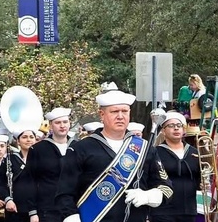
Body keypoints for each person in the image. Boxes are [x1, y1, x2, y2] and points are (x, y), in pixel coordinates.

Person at [56, 88, 174, 222]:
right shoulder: (81, 148)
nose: (120, 116)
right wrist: (72, 218)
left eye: (124, 111)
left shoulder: (145, 148)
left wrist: (149, 196)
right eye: (114, 111)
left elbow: (166, 187)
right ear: (102, 114)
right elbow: (64, 193)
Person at [150, 111, 201, 222]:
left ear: (184, 130)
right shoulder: (155, 153)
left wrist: (203, 183)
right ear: (163, 131)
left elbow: (199, 179)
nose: (176, 129)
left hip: (188, 209)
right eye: (171, 126)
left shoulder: (194, 152)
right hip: (163, 210)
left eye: (179, 126)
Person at [28, 107, 74, 222]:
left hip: (74, 208)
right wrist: (32, 212)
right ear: (50, 125)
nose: (62, 125)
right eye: (58, 123)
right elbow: (30, 181)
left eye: (65, 122)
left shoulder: (78, 147)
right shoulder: (38, 149)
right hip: (48, 209)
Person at [0, 128, 38, 222]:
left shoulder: (42, 159)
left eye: (31, 137)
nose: (28, 140)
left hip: (39, 209)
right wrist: (7, 200)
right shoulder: (9, 159)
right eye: (24, 137)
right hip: (15, 209)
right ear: (18, 142)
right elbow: (0, 183)